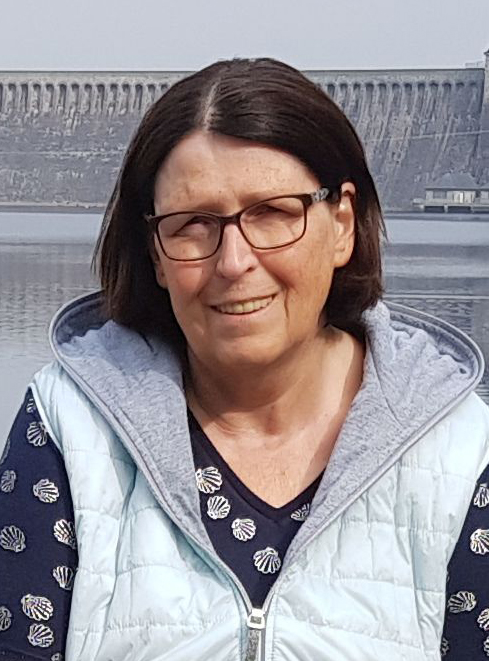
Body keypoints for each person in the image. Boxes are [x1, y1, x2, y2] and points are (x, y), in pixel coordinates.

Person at [1, 58, 488, 661]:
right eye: (192, 224)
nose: (233, 262)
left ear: (342, 225)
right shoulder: (69, 429)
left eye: (274, 213)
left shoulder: (459, 452)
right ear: (155, 253)